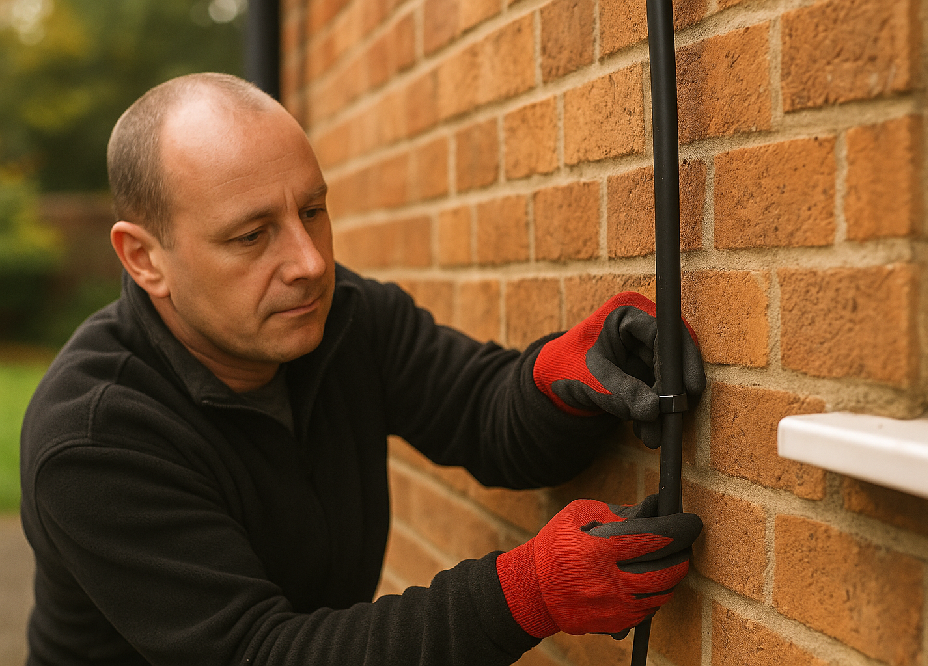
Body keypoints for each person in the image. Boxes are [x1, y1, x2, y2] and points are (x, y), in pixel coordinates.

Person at [19, 73, 704, 666]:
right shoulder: (93, 439)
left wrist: (560, 379)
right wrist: (527, 593)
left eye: (312, 211)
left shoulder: (337, 316)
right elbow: (259, 654)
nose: (310, 262)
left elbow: (479, 413)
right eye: (251, 235)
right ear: (144, 259)